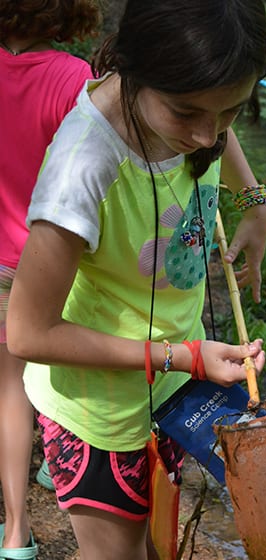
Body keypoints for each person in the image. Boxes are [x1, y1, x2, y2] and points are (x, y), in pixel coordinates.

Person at [7, 1, 266, 558]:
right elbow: (27, 334)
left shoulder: (195, 109)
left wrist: (255, 203)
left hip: (167, 388)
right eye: (186, 113)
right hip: (97, 412)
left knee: (153, 540)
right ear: (134, 68)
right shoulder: (84, 169)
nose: (208, 136)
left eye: (231, 112)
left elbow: (212, 120)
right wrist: (186, 357)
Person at [0, 1, 101, 558]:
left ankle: (16, 537)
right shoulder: (73, 77)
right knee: (59, 360)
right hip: (55, 255)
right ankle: (59, 470)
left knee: (9, 389)